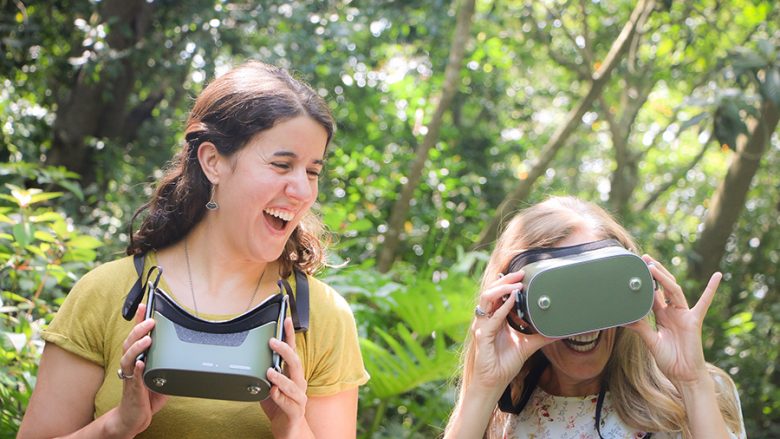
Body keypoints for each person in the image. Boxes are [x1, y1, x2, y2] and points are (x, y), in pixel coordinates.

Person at [19, 61, 369, 438]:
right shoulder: (107, 294)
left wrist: (293, 427)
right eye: (282, 165)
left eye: (312, 172)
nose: (302, 191)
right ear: (213, 161)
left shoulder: (321, 316)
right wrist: (119, 424)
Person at [444, 196, 746, 439]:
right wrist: (483, 389)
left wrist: (692, 383)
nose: (585, 319)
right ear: (515, 306)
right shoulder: (502, 414)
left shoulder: (703, 390)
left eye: (601, 291)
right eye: (559, 297)